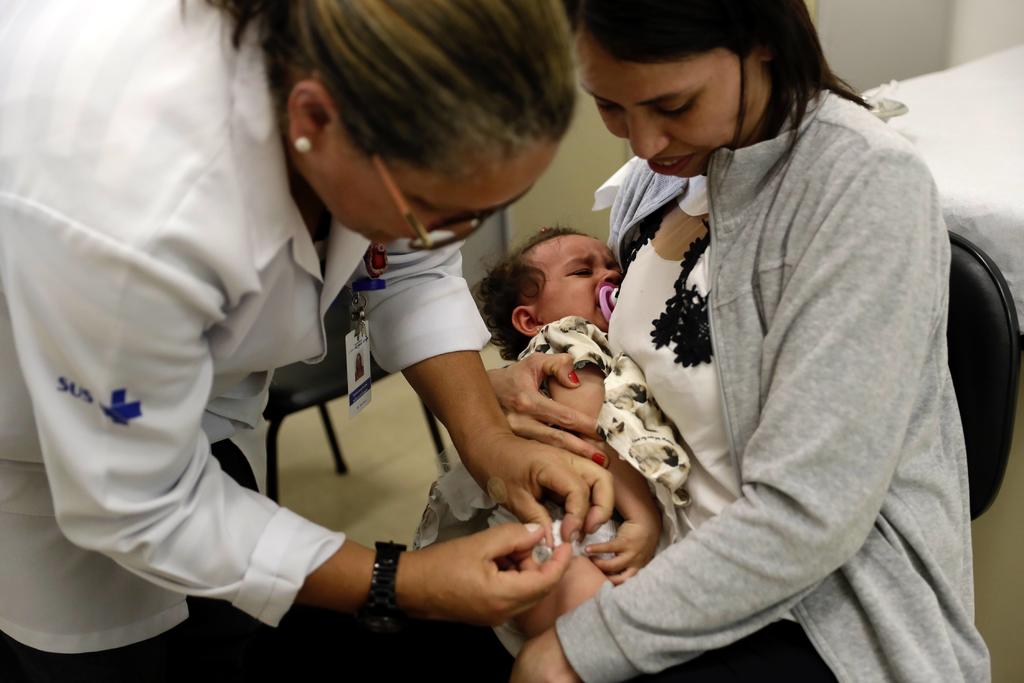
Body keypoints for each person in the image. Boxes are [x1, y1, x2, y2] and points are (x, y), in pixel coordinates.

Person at [0, 1, 616, 680]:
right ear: (314, 119)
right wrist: (399, 582)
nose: (451, 237)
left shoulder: (366, 92)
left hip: (205, 399)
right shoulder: (130, 207)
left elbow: (406, 261)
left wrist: (490, 445)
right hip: (43, 437)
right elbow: (139, 499)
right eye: (435, 213)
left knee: (223, 629)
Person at [498, 1, 991, 681]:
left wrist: (581, 645)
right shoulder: (664, 177)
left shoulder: (863, 186)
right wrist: (519, 386)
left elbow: (806, 517)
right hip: (661, 556)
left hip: (816, 608)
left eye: (674, 104)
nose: (643, 142)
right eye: (610, 106)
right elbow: (619, 362)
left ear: (760, 39)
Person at [417, 227, 697, 652]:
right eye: (583, 271)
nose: (609, 275)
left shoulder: (609, 345)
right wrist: (642, 516)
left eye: (612, 266)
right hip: (572, 521)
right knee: (590, 633)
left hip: (561, 522)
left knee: (572, 633)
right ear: (530, 320)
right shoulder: (566, 339)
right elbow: (594, 432)